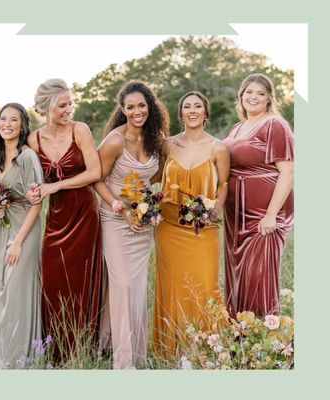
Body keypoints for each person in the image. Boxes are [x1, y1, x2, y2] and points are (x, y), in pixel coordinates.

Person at [26, 79, 103, 363]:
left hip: (84, 213)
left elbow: (94, 172)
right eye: (63, 105)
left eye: (71, 103)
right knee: (54, 281)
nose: (69, 109)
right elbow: (27, 177)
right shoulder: (32, 140)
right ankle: (55, 348)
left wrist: (56, 186)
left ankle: (83, 349)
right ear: (46, 108)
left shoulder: (79, 131)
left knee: (81, 282)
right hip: (55, 218)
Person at [94, 81, 169, 369]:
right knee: (124, 283)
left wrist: (144, 204)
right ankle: (124, 363)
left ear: (149, 106)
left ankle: (127, 350)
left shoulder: (157, 139)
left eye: (141, 105)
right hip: (114, 219)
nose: (137, 111)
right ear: (122, 110)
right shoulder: (115, 140)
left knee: (135, 289)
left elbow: (156, 175)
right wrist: (119, 205)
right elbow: (96, 179)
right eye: (130, 107)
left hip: (142, 222)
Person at [152, 91, 230, 358]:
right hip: (169, 228)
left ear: (206, 113)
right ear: (181, 113)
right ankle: (171, 350)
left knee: (206, 285)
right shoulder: (168, 145)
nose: (193, 110)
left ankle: (208, 350)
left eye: (198, 106)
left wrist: (214, 210)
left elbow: (224, 186)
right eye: (187, 106)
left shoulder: (218, 147)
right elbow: (155, 177)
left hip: (203, 228)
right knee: (173, 285)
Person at [0, 103, 43, 369]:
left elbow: (37, 204)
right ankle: (3, 349)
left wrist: (18, 242)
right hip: (0, 227)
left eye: (13, 120)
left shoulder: (28, 157)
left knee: (18, 289)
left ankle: (21, 355)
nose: (7, 124)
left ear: (22, 125)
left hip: (24, 230)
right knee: (1, 290)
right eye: (3, 119)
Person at [223, 73, 294, 317]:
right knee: (238, 274)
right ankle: (238, 336)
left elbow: (288, 171)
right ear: (241, 96)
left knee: (258, 275)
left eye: (260, 93)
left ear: (268, 99)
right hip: (235, 216)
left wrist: (271, 214)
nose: (253, 97)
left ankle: (264, 340)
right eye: (249, 92)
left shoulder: (275, 124)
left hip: (263, 215)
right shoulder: (236, 128)